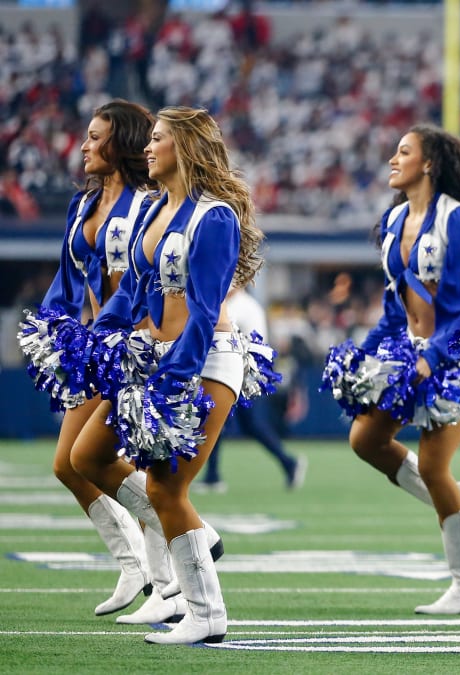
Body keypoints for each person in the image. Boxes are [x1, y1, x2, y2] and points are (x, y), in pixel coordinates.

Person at [70, 105, 269, 645]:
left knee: (166, 485)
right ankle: (199, 535)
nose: (148, 148)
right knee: (86, 456)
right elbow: (132, 294)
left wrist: (174, 375)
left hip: (203, 361)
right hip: (154, 358)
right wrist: (93, 339)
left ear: (184, 146)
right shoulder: (154, 212)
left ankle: (206, 612)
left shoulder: (216, 216)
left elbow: (204, 311)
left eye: (157, 139)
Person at [321, 124, 460, 615]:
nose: (393, 160)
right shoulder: (395, 221)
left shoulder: (458, 221)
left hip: (458, 353)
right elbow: (396, 309)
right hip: (410, 352)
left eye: (403, 152)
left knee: (434, 464)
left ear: (430, 163)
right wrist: (366, 353)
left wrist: (433, 355)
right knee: (365, 440)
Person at [18, 100, 156, 618]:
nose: (83, 146)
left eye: (95, 137)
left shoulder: (148, 204)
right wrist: (52, 332)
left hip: (135, 346)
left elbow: (145, 283)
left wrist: (116, 334)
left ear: (120, 143)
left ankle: (176, 565)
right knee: (68, 464)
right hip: (93, 349)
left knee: (122, 464)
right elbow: (67, 281)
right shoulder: (84, 205)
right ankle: (134, 564)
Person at [198, 286, 306, 493]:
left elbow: (220, 331)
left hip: (244, 372)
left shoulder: (242, 305)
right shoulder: (241, 304)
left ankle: (288, 462)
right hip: (240, 369)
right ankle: (213, 476)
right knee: (225, 422)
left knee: (235, 422)